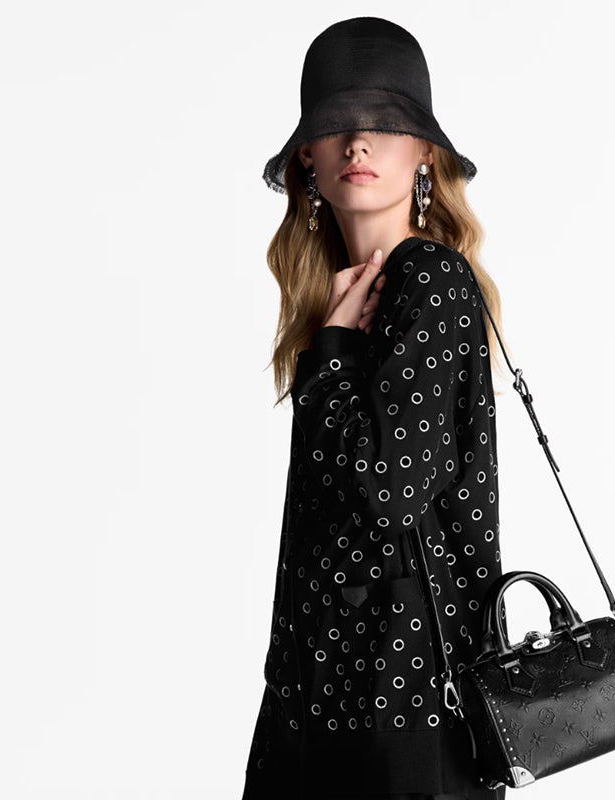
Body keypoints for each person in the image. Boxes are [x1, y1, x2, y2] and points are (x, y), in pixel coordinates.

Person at [241, 16, 511, 800]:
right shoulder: (346, 297)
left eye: (386, 124)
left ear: (424, 152)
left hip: (406, 711)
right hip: (321, 699)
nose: (359, 142)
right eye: (336, 124)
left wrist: (330, 355)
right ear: (308, 157)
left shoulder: (429, 279)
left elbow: (387, 489)